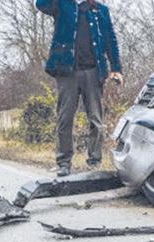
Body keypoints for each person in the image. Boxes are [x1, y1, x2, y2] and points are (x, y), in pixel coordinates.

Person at [36, 0, 122, 177]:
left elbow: (110, 39)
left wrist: (116, 68)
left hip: (93, 71)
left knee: (96, 119)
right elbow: (41, 4)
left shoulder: (100, 10)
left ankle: (94, 161)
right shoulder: (62, 4)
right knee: (65, 118)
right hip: (67, 72)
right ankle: (64, 162)